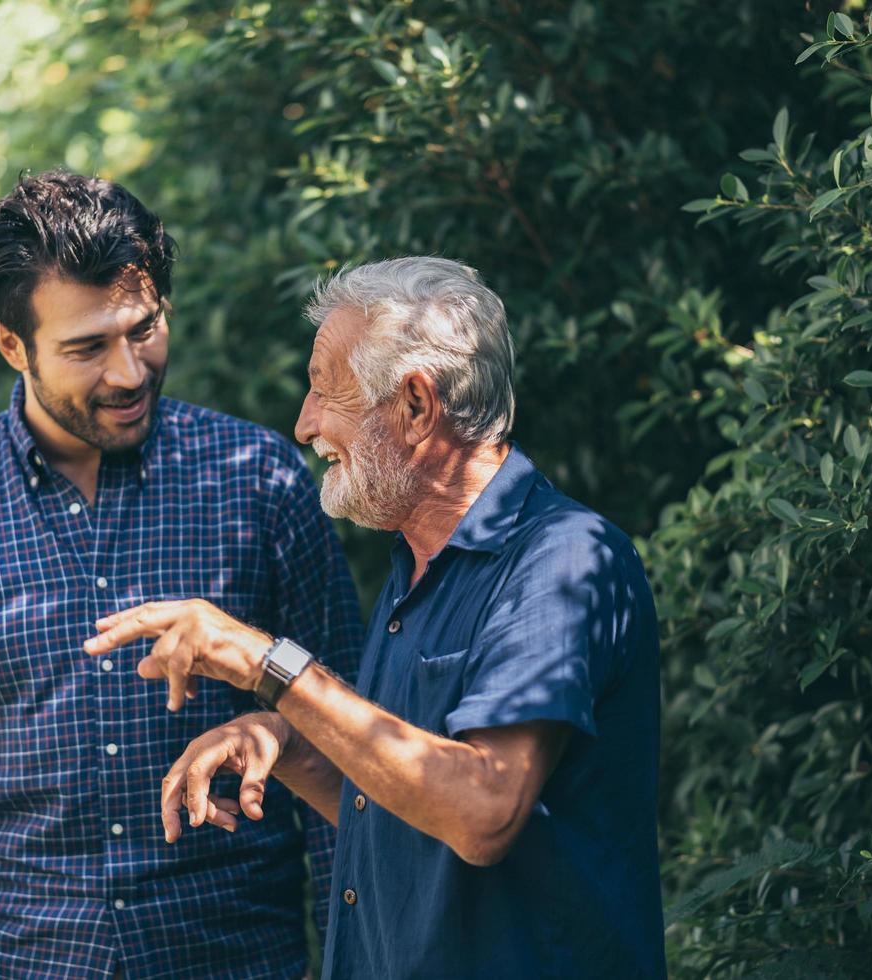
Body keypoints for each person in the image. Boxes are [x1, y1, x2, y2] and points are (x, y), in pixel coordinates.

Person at [0, 171, 363, 979]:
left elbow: (348, 734)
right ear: (9, 344)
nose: (130, 371)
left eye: (143, 329)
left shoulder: (258, 481)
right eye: (87, 348)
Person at [84, 257, 666, 978]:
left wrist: (268, 666)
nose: (304, 423)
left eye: (327, 390)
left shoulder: (561, 560)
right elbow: (412, 816)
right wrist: (293, 750)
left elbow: (484, 812)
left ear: (417, 407)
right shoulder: (410, 573)